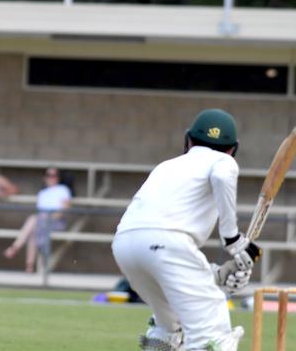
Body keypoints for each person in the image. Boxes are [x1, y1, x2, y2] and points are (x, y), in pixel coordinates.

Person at [111, 109, 262, 351]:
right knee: (213, 337)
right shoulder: (224, 161)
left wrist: (214, 277)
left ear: (188, 140)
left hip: (125, 245)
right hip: (166, 245)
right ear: (233, 148)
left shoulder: (166, 166)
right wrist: (233, 239)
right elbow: (223, 176)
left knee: (169, 328)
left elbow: (162, 251)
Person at [3, 167, 71, 273]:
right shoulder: (42, 193)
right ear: (45, 177)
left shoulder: (63, 189)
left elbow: (64, 210)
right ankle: (31, 267)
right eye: (49, 175)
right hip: (42, 223)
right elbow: (41, 213)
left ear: (58, 177)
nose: (51, 178)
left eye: (54, 176)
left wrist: (49, 217)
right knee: (34, 229)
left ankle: (16, 248)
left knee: (34, 221)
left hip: (57, 222)